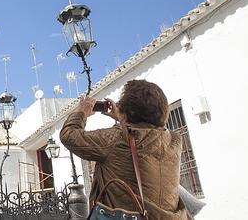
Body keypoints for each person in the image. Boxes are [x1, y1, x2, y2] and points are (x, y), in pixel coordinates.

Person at [60, 79, 190, 219]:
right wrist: (123, 118)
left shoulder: (118, 139)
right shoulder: (174, 140)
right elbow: (147, 133)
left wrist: (81, 112)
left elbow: (69, 135)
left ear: (127, 112)